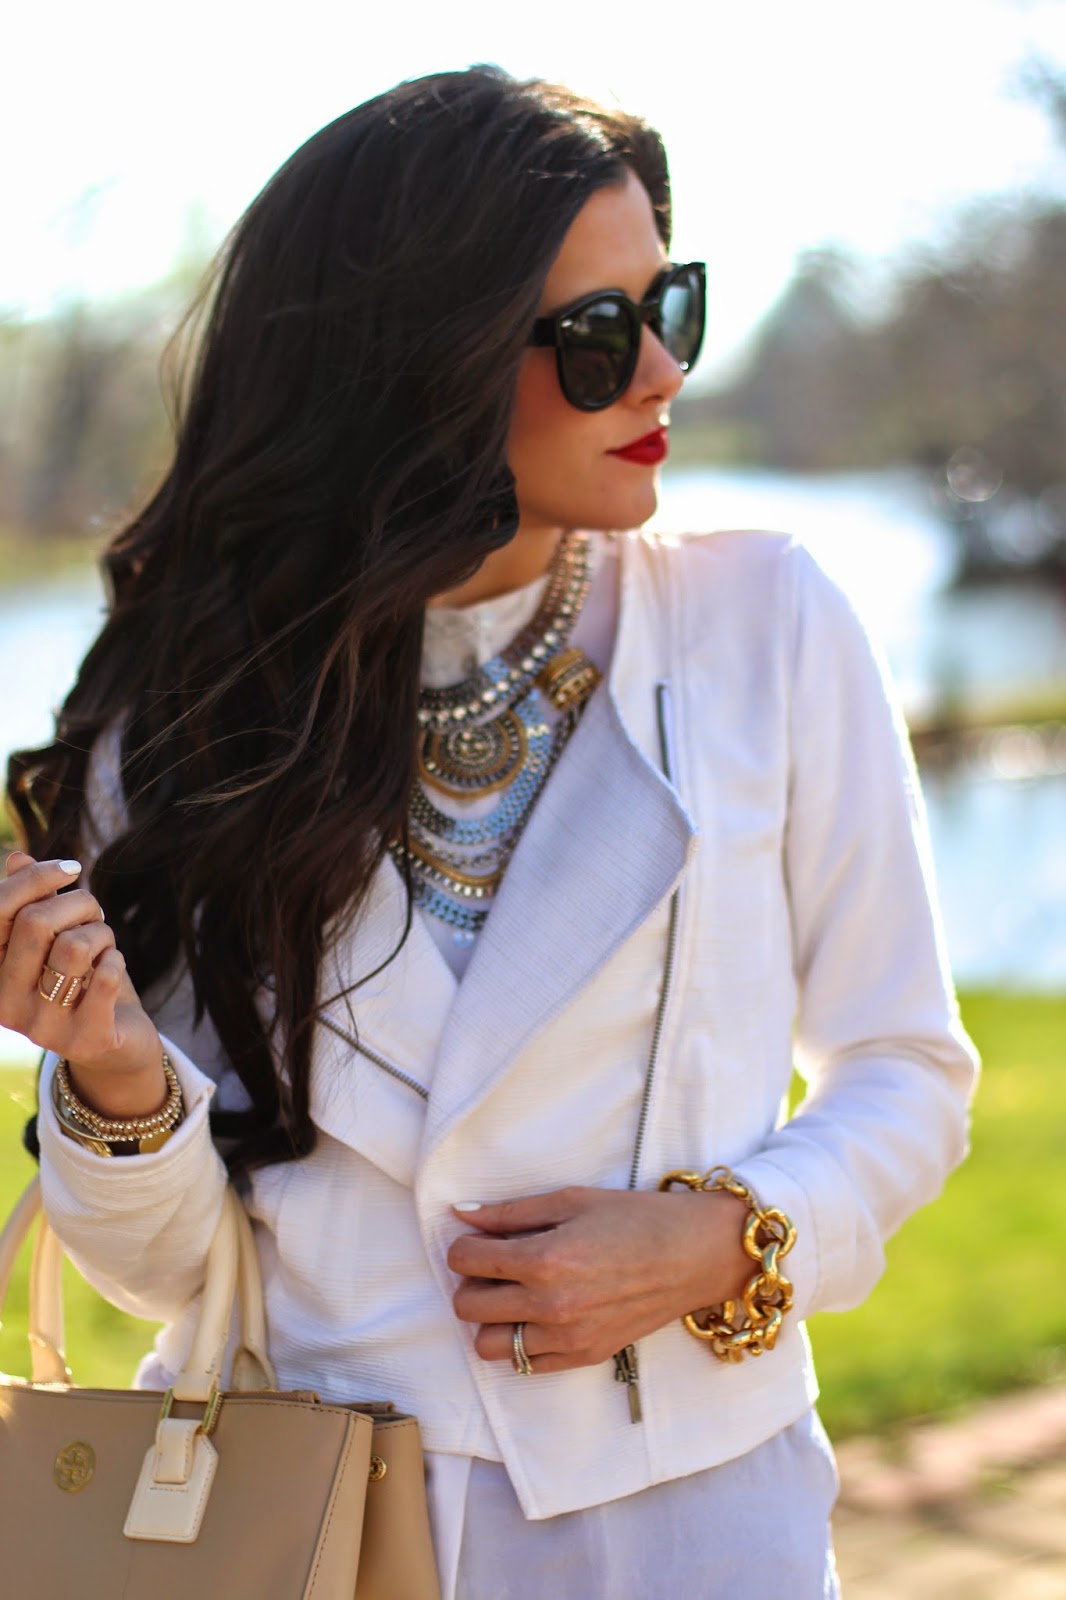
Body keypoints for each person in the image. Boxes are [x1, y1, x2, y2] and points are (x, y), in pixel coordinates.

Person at [2, 66, 977, 1599]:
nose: (661, 371)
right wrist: (115, 1077)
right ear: (418, 364)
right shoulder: (181, 728)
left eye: (669, 306)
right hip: (308, 1527)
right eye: (594, 337)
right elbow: (173, 1272)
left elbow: (904, 1070)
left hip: (697, 1520)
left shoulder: (762, 623)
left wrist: (718, 1240)